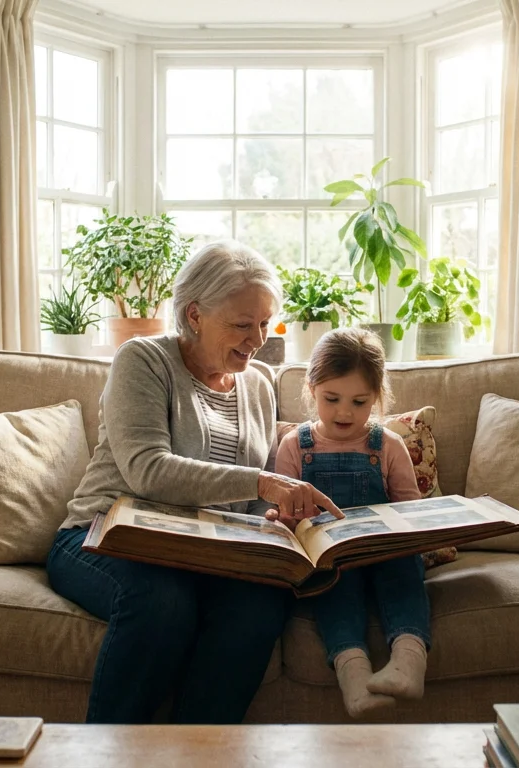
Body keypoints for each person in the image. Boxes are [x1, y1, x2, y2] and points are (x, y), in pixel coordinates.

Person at [45, 239, 343, 725]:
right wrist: (264, 485)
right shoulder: (142, 361)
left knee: (261, 603)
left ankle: (196, 753)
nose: (257, 338)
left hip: (204, 551)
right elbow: (149, 469)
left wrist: (274, 521)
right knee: (163, 601)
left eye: (265, 323)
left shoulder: (259, 384)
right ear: (195, 314)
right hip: (102, 538)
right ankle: (110, 754)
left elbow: (247, 502)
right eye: (243, 324)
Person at [271, 328, 430, 719]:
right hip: (330, 560)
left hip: (384, 551)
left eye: (359, 402)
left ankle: (409, 661)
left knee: (403, 572)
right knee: (332, 590)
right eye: (332, 399)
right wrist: (281, 520)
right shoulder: (294, 446)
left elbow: (410, 509)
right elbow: (284, 512)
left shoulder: (388, 445)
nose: (344, 412)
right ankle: (354, 675)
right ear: (311, 390)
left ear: (376, 397)